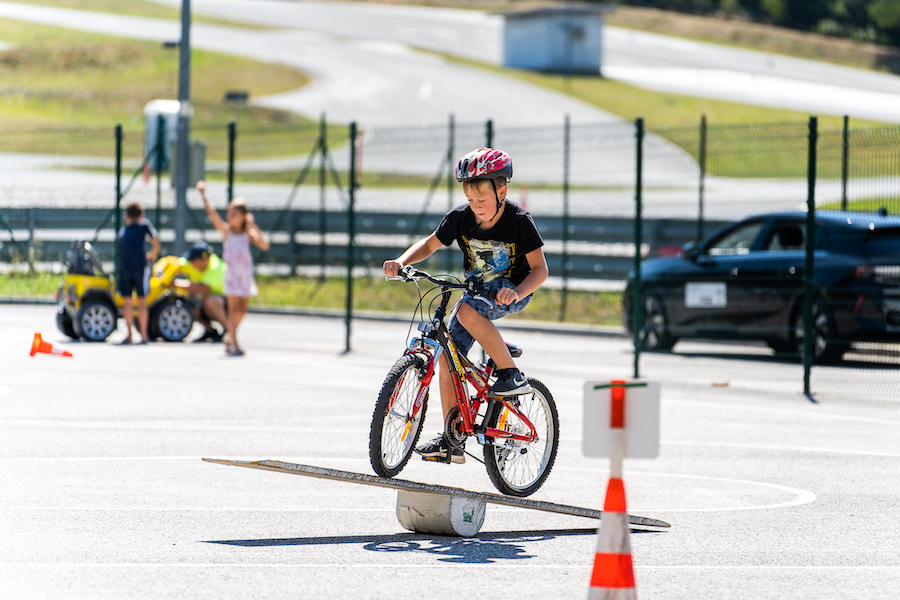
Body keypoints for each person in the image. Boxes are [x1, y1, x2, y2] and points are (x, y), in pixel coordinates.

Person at [382, 147, 548, 464]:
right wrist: (402, 262)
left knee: (468, 311)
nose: (476, 207)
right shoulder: (460, 219)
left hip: (512, 290)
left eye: (482, 200)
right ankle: (452, 439)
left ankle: (510, 374)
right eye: (471, 200)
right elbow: (430, 243)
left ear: (502, 192)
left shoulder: (518, 221)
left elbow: (541, 270)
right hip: (476, 291)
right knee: (449, 359)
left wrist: (517, 291)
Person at [195, 181, 270, 356]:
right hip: (232, 276)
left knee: (242, 310)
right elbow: (212, 213)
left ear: (243, 216)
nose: (230, 216)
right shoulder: (226, 232)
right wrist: (203, 194)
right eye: (229, 213)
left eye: (234, 214)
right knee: (233, 309)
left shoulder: (247, 233)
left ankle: (230, 335)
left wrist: (252, 226)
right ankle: (233, 343)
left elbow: (264, 245)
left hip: (245, 276)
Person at [162, 242, 228, 342]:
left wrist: (175, 283)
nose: (191, 263)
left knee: (210, 300)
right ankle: (210, 331)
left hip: (226, 304)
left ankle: (228, 330)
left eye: (193, 261)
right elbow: (175, 264)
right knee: (190, 306)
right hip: (205, 302)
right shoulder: (194, 263)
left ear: (204, 260)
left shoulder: (216, 268)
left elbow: (199, 288)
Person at [116, 202, 160, 345]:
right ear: (141, 215)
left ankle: (129, 335)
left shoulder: (124, 231)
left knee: (127, 302)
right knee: (141, 301)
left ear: (126, 216)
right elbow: (156, 242)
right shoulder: (144, 226)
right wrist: (153, 254)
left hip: (125, 267)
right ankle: (144, 335)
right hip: (139, 267)